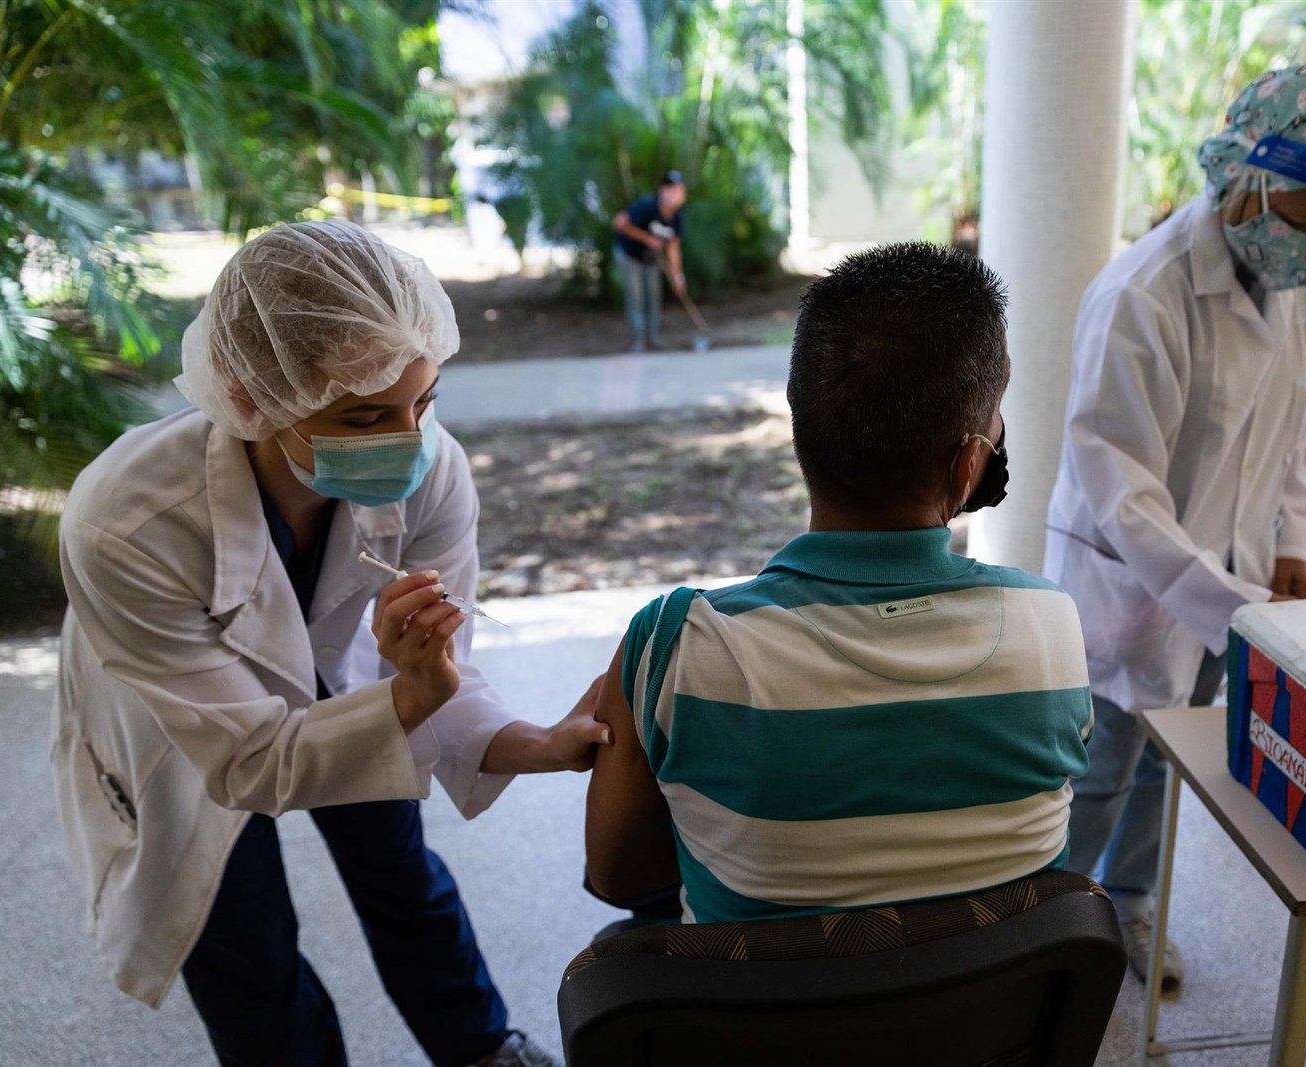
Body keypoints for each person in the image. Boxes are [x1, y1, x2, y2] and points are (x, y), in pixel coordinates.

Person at [53, 220, 609, 1067]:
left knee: (398, 864)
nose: (411, 439)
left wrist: (524, 741)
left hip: (340, 677)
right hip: (177, 714)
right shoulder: (125, 524)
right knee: (239, 928)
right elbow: (249, 760)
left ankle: (481, 1047)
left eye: (425, 401)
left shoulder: (434, 470)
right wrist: (407, 696)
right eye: (366, 414)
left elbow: (435, 667)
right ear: (250, 398)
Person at [582, 243, 1096, 924]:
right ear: (969, 464)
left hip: (760, 997)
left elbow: (618, 875)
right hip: (999, 996)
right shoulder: (1051, 626)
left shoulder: (675, 645)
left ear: (801, 424)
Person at [1044, 65, 1306, 991]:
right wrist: (1233, 603)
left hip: (1232, 587)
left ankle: (1130, 902)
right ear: (1246, 180)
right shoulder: (1143, 294)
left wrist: (1289, 543)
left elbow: (1294, 428)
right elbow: (1122, 490)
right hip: (1133, 588)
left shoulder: (1298, 287)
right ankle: (1046, 935)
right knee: (1099, 772)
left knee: (1170, 761)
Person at [612, 171, 688, 352]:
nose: (676, 194)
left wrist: (677, 276)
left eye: (679, 190)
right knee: (636, 298)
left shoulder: (676, 218)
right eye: (671, 189)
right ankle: (638, 342)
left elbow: (673, 248)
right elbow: (619, 223)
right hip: (629, 256)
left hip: (650, 259)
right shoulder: (647, 206)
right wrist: (646, 238)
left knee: (653, 299)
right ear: (662, 190)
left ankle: (652, 340)